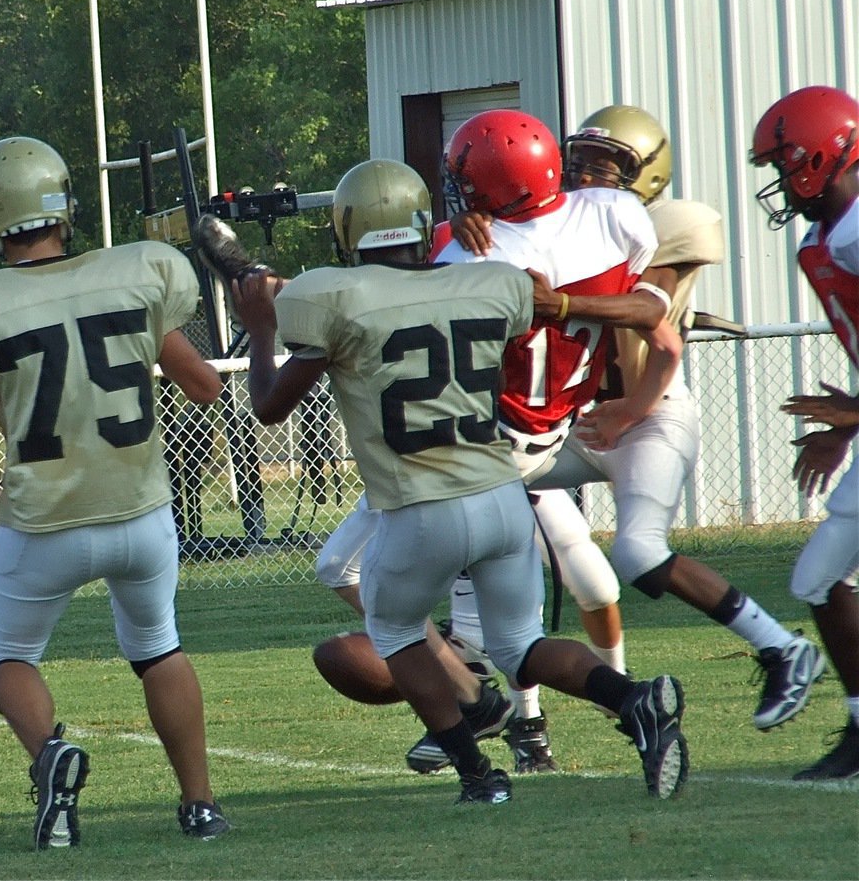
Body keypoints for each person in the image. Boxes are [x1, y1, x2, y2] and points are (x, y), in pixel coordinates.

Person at [233, 156, 690, 802]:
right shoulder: (490, 282)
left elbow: (270, 406)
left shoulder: (328, 294)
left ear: (348, 228)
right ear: (423, 225)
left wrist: (259, 330)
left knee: (396, 632)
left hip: (421, 503)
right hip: (503, 496)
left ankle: (478, 771)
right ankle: (634, 698)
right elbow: (518, 295)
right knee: (522, 644)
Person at [445, 105, 826, 750]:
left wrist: (629, 401)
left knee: (637, 554)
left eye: (611, 163)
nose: (592, 173)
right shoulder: (567, 225)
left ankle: (783, 647)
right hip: (581, 426)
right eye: (583, 158)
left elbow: (656, 330)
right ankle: (503, 695)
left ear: (648, 175)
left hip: (647, 414)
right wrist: (477, 220)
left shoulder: (655, 228)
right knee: (483, 491)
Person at [0, 136, 231, 847]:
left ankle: (52, 757)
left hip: (45, 521)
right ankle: (200, 804)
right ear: (64, 208)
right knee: (157, 646)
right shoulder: (134, 275)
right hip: (142, 515)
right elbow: (204, 386)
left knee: (7, 655)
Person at [751, 84, 859, 780]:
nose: (780, 182)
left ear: (821, 154)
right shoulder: (829, 238)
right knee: (819, 575)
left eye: (783, 164)